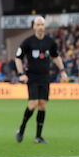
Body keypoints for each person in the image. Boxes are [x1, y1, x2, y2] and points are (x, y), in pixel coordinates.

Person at [15, 16, 68, 144]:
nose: (40, 27)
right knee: (33, 105)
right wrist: (21, 73)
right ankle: (22, 128)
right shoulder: (28, 42)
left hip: (45, 76)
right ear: (34, 26)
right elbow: (18, 58)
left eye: (42, 24)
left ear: (45, 26)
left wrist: (62, 71)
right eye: (38, 24)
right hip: (32, 76)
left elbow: (56, 57)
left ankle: (38, 136)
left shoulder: (50, 42)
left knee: (43, 105)